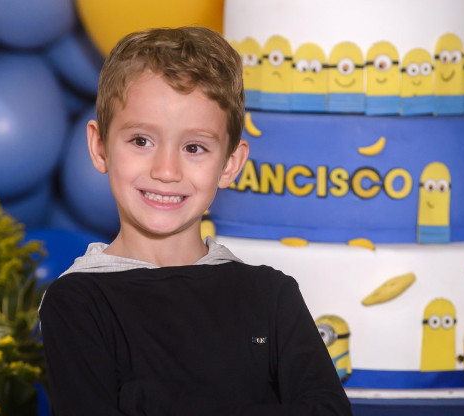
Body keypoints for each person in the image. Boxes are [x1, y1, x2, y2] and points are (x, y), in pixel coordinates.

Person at [39, 26, 352, 415]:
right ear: (100, 146)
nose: (166, 171)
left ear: (230, 164)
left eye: (194, 147)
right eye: (141, 141)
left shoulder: (271, 295)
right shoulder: (77, 302)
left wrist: (147, 402)